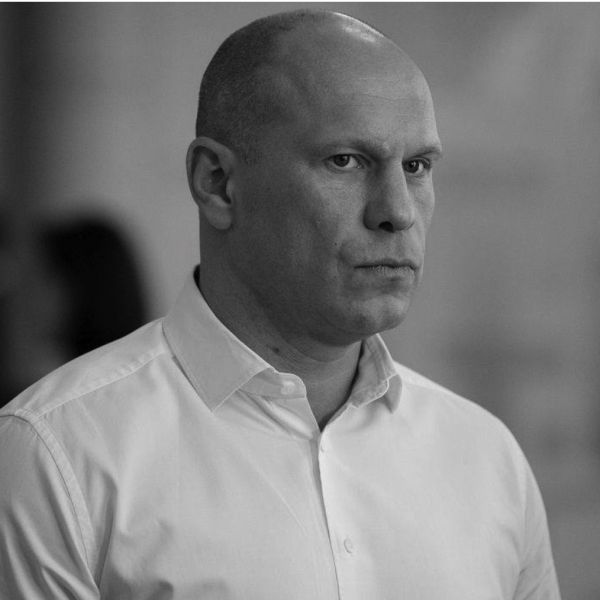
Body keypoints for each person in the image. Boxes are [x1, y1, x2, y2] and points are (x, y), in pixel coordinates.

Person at [0, 9, 560, 599]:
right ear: (217, 183)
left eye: (417, 166)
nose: (397, 211)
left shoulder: (487, 459)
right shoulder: (59, 454)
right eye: (346, 161)